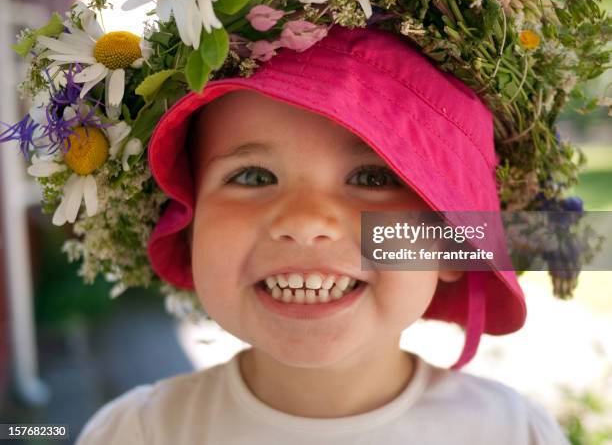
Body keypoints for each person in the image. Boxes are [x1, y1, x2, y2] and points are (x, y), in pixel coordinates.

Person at [75, 25, 569, 444]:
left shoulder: (512, 432)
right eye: (252, 176)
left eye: (374, 178)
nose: (305, 222)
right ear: (189, 228)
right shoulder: (138, 433)